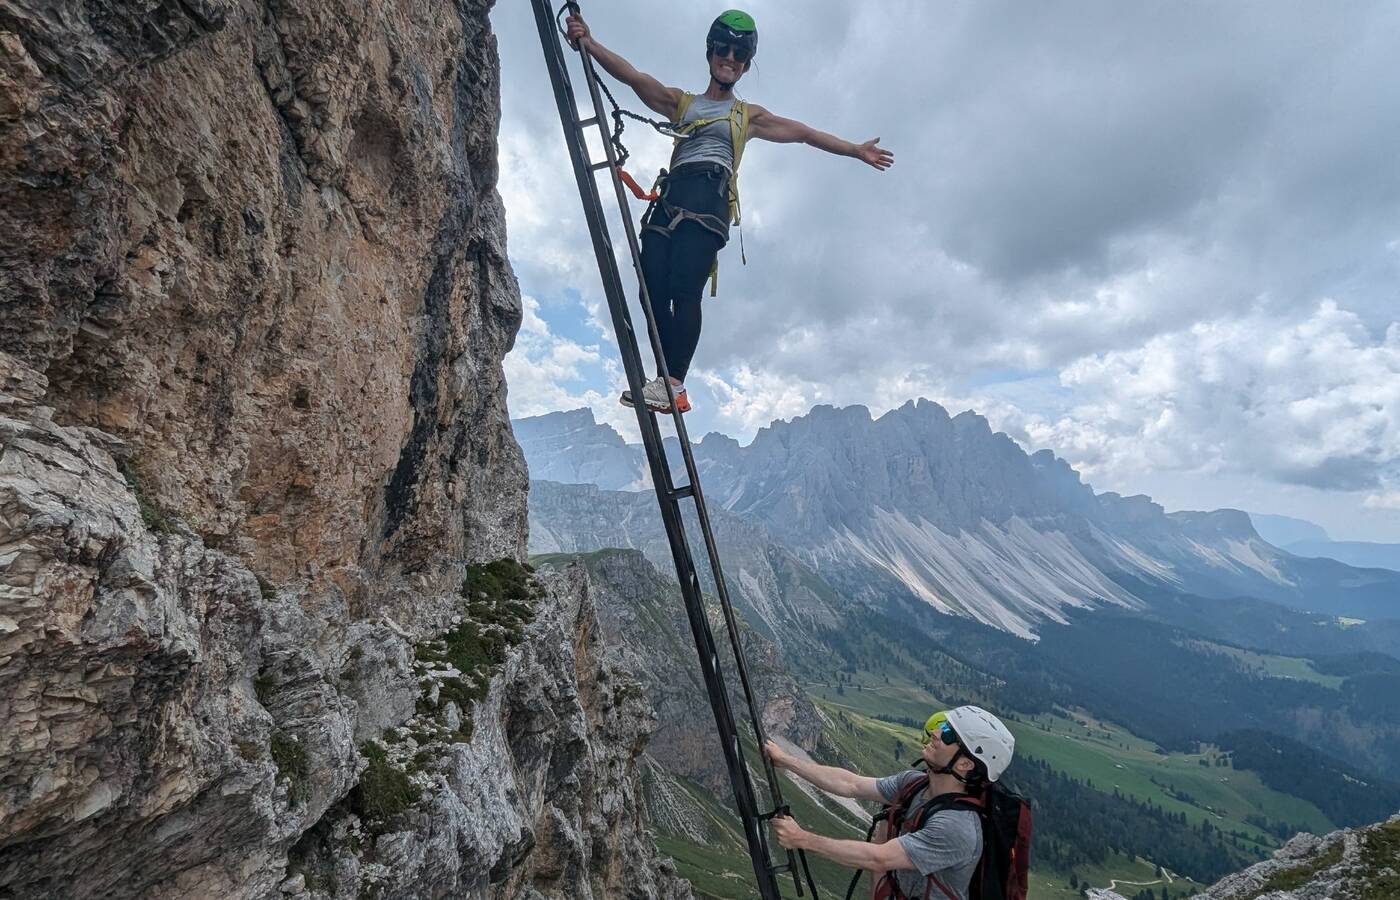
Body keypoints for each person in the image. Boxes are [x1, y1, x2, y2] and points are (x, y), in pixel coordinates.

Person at [564, 9, 894, 414]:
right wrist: (589, 42)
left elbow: (805, 134)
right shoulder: (682, 103)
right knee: (650, 286)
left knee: (685, 289)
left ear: (745, 65)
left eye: (740, 54)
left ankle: (673, 383)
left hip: (708, 199)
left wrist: (854, 149)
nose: (731, 58)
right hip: (671, 196)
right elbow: (634, 78)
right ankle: (663, 380)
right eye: (725, 48)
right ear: (711, 52)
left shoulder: (747, 116)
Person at [765, 706, 1016, 900]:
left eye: (949, 734)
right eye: (942, 725)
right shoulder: (915, 783)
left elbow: (879, 858)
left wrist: (802, 839)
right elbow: (851, 784)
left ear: (964, 764)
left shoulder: (957, 828)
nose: (936, 733)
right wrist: (786, 761)